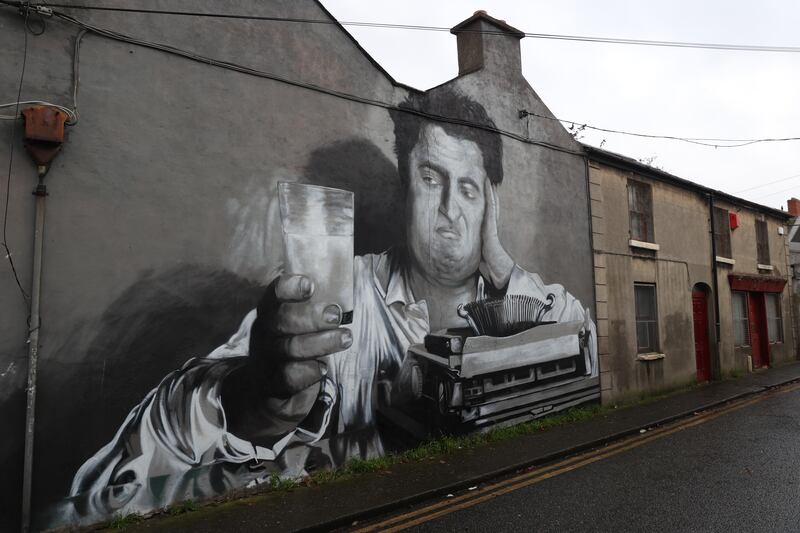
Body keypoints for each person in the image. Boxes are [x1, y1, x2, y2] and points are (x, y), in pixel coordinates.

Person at [62, 87, 597, 522]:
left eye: (470, 190)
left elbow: (583, 349)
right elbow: (115, 487)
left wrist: (500, 259)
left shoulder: (515, 296)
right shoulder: (338, 295)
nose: (449, 210)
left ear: (490, 207)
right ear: (404, 190)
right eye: (431, 179)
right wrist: (253, 403)